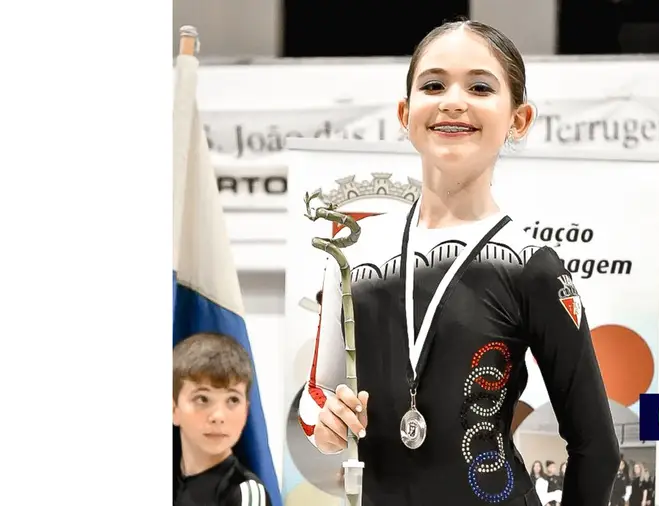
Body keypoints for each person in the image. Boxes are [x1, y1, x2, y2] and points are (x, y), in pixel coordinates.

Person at [296, 17, 620, 506]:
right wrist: (325, 422)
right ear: (405, 114)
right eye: (433, 84)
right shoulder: (353, 254)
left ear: (519, 119)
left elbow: (597, 448)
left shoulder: (532, 267)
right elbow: (315, 395)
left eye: (480, 86)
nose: (452, 99)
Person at [173, 332, 272, 506]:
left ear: (246, 411)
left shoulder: (244, 492)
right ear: (174, 410)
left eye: (233, 400)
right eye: (202, 399)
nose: (218, 416)